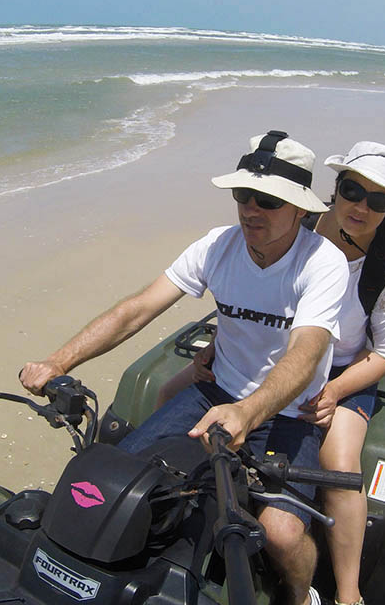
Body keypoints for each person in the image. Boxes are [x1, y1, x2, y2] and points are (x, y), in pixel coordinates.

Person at [19, 130, 349, 605]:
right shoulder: (218, 246)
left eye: (268, 200)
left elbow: (307, 352)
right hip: (215, 393)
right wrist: (58, 360)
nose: (250, 209)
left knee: (279, 533)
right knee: (115, 481)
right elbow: (140, 307)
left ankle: (300, 596)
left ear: (300, 209)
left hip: (287, 413)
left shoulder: (321, 262)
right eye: (244, 195)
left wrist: (249, 412)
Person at [157, 141, 385, 605]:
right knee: (168, 394)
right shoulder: (297, 226)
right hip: (285, 353)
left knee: (340, 462)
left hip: (345, 368)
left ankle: (348, 593)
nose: (360, 206)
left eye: (378, 201)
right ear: (334, 190)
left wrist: (334, 391)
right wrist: (217, 345)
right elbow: (259, 307)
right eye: (353, 190)